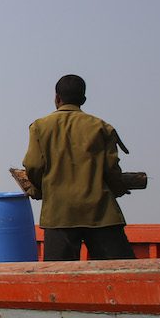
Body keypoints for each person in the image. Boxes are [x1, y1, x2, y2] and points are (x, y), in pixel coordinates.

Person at [23, 74, 134, 261]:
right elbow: (112, 169)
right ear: (83, 99)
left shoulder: (40, 127)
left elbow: (33, 166)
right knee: (121, 274)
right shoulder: (101, 127)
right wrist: (119, 188)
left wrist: (38, 190)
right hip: (101, 213)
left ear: (57, 98)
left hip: (58, 214)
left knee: (57, 278)